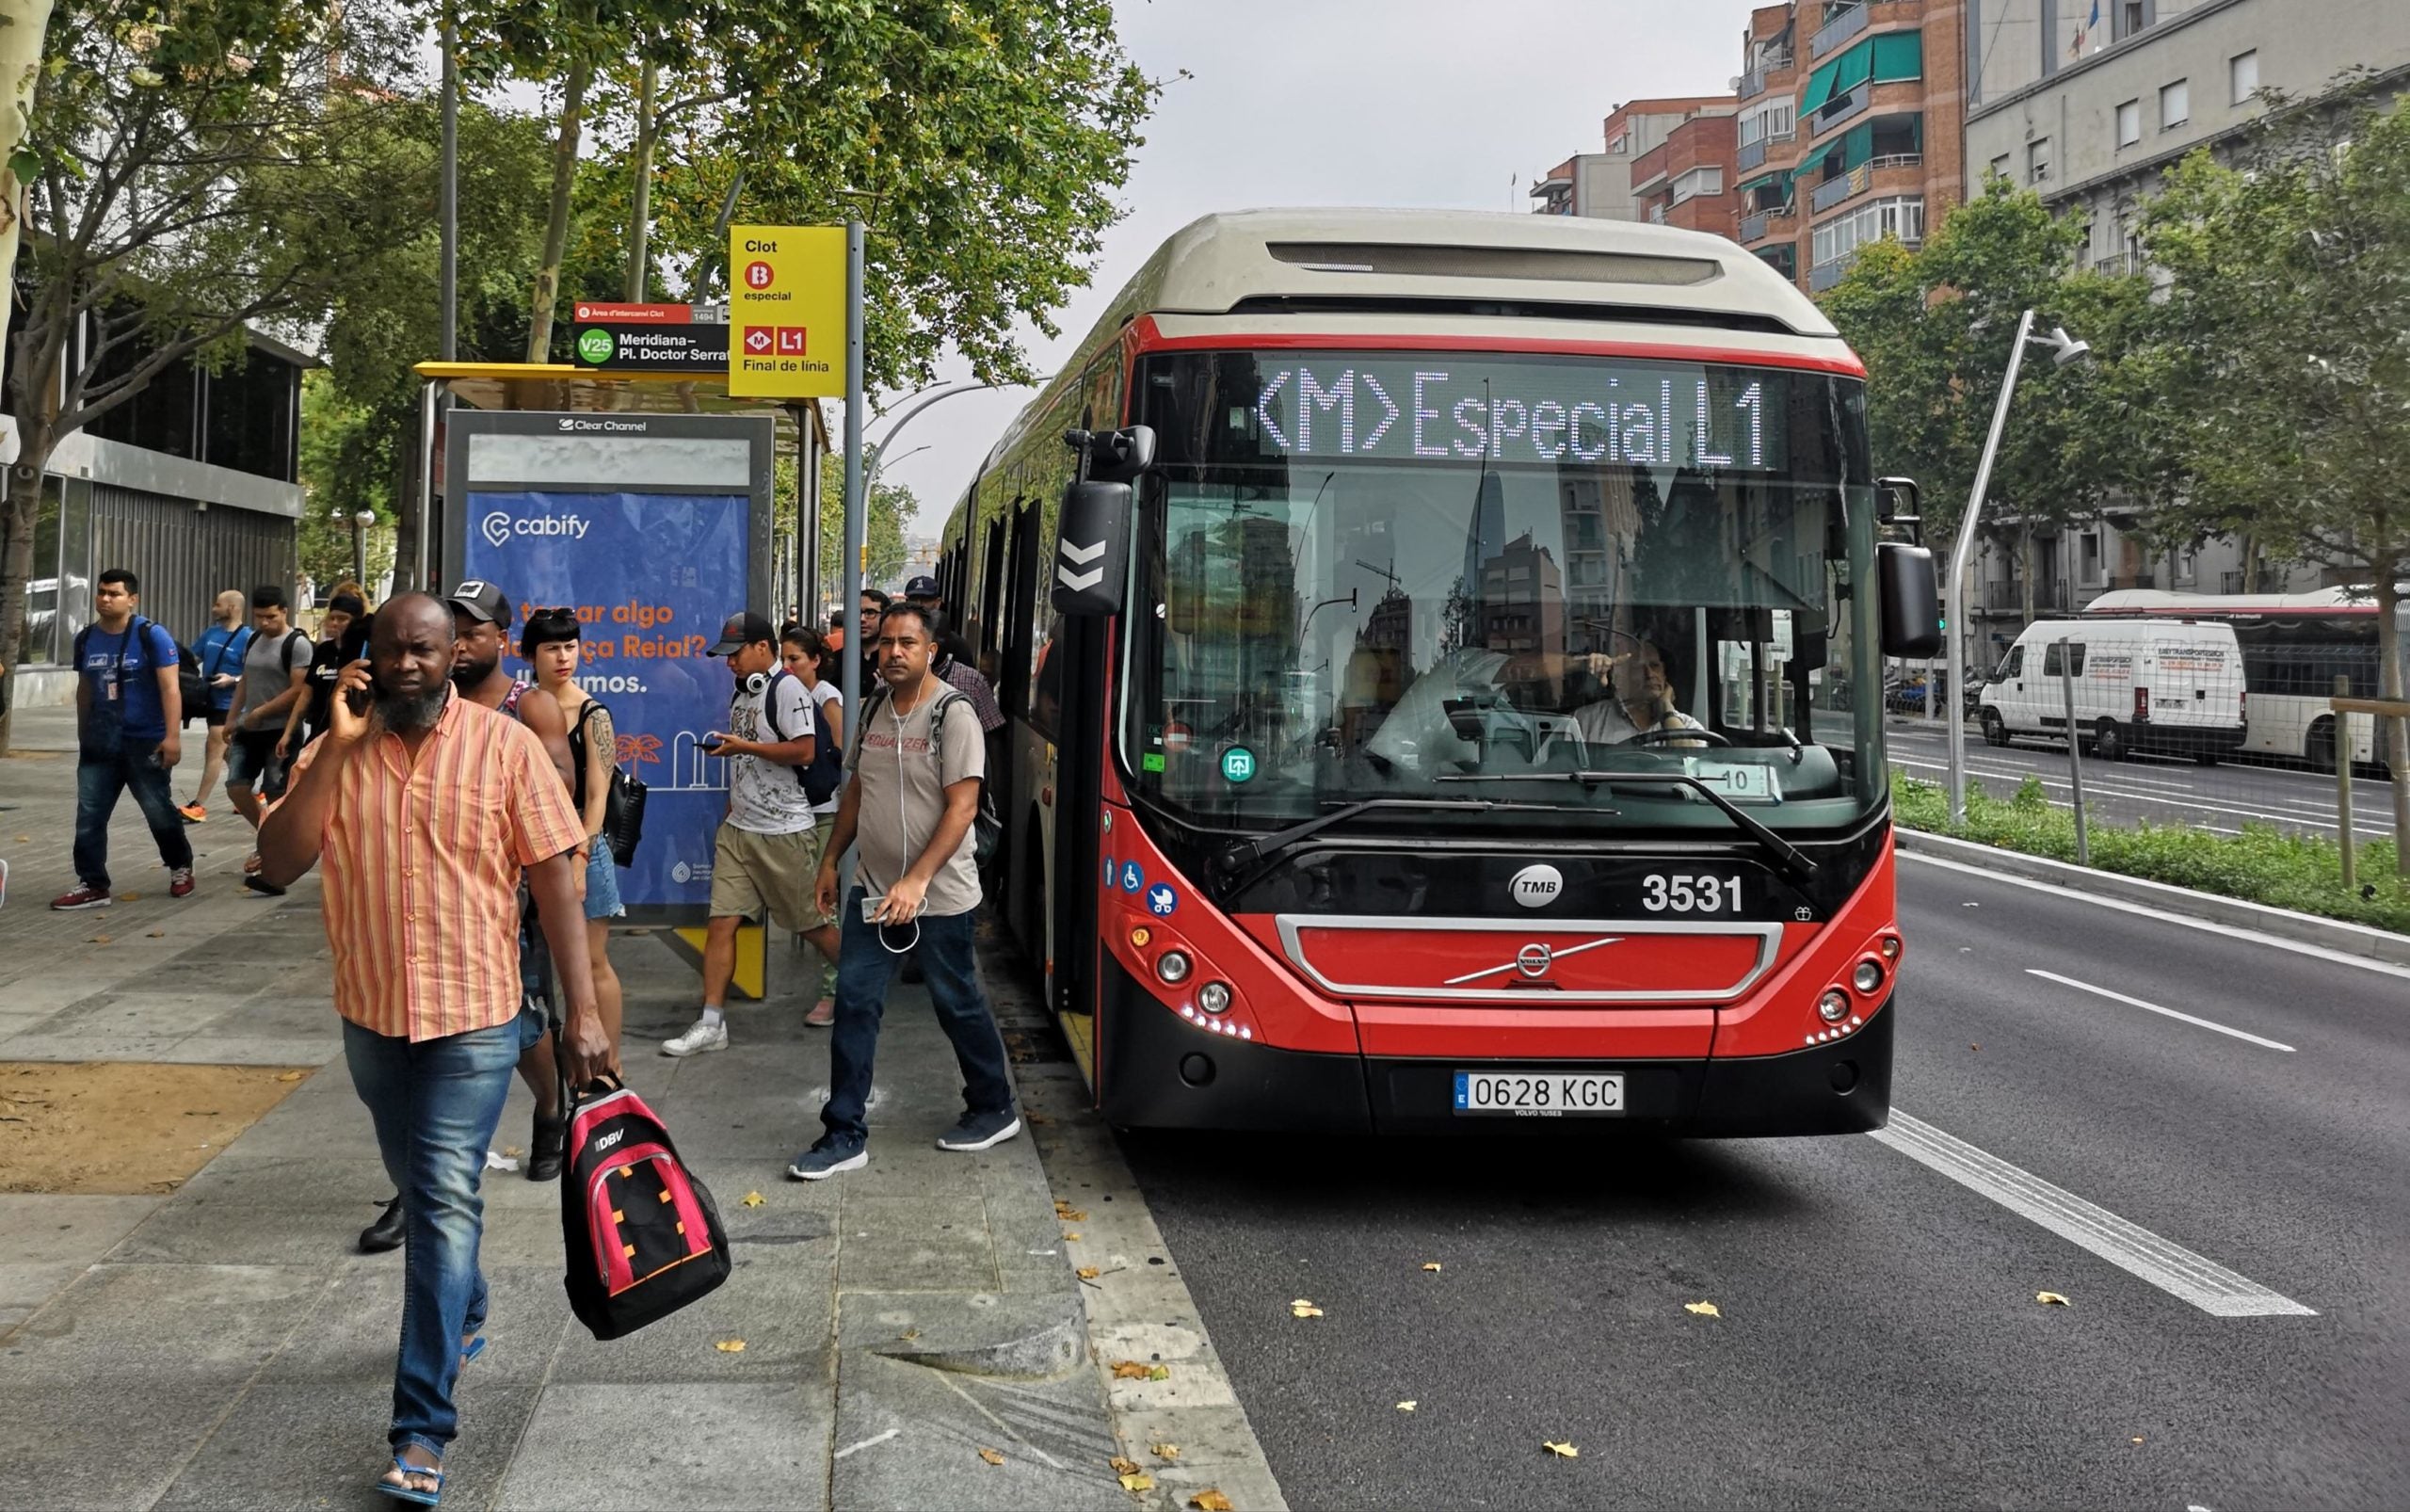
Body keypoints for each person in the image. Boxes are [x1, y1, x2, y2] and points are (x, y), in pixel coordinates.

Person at [255, 593, 609, 1507]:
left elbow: (556, 882)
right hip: (371, 1016)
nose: (408, 663)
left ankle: (421, 1429)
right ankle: (469, 1309)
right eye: (390, 649)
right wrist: (333, 746)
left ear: (456, 654)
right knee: (421, 1188)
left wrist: (582, 1015)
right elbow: (279, 860)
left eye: (425, 648)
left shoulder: (506, 748)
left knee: (445, 1199)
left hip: (475, 1018)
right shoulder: (341, 748)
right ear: (365, 656)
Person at [789, 603, 1018, 1180]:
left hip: (940, 897)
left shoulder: (952, 714)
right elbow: (859, 793)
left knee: (956, 1000)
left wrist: (918, 880)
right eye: (887, 642)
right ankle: (844, 1132)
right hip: (874, 890)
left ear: (930, 650)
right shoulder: (872, 709)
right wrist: (829, 862)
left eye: (907, 644)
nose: (893, 652)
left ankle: (992, 1106)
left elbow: (962, 807)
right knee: (855, 1002)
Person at [661, 612, 842, 1056]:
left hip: (784, 831)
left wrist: (745, 747)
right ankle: (711, 1022)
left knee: (812, 925)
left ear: (763, 648)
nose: (730, 665)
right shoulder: (744, 696)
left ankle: (863, 988)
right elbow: (745, 766)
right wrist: (729, 811)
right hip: (740, 830)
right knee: (721, 922)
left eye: (736, 654)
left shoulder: (789, 690)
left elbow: (804, 749)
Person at [447, 580, 579, 1182]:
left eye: (472, 633)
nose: (457, 645)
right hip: (439, 890)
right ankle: (429, 1172)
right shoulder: (428, 699)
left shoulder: (530, 706)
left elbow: (558, 796)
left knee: (522, 1018)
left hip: (510, 891)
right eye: (450, 632)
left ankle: (551, 1107)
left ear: (501, 640)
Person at [51, 569, 196, 909]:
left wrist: (172, 737)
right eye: (101, 592)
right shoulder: (86, 638)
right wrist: (82, 732)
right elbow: (85, 688)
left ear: (132, 599)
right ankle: (93, 883)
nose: (105, 599)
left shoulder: (151, 635)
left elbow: (170, 688)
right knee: (90, 814)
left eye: (114, 593)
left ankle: (180, 866)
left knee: (158, 810)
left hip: (144, 739)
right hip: (100, 742)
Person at [523, 607, 625, 1055]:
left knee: (592, 961)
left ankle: (612, 1065)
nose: (563, 657)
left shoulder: (592, 713)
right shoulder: (521, 707)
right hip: (531, 846)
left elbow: (598, 796)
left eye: (570, 646)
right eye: (552, 648)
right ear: (530, 654)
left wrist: (582, 858)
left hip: (584, 845)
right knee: (541, 964)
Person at [222, 585, 314, 894]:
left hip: (279, 728)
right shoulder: (253, 639)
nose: (265, 623)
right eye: (260, 617)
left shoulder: (297, 644)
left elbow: (298, 690)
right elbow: (245, 681)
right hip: (249, 727)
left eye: (271, 617)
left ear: (284, 612)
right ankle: (269, 839)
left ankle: (274, 850)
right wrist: (233, 718)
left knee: (275, 794)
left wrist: (263, 712)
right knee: (236, 787)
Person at [780, 624, 844, 1025]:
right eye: (782, 659)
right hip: (794, 809)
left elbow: (838, 753)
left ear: (816, 661)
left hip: (824, 808)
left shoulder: (826, 697)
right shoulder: (784, 695)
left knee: (825, 904)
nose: (787, 667)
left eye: (795, 659)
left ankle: (836, 990)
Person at [180, 589, 251, 822]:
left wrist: (233, 680)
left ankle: (198, 805)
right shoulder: (211, 633)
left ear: (232, 608)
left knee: (214, 748)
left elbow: (253, 672)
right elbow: (193, 658)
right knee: (228, 751)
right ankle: (247, 799)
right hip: (210, 699)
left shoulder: (248, 638)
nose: (213, 608)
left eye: (218, 604)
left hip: (231, 704)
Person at [1568, 637, 1709, 748]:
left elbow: (1691, 765)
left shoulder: (1688, 727)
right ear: (1622, 676)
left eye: (1655, 666)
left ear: (1665, 675)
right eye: (1639, 667)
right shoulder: (1586, 721)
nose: (1650, 674)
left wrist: (1667, 708)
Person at [281, 592, 368, 756]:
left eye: (342, 619)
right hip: (318, 733)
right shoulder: (323, 650)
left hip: (350, 738)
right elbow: (306, 695)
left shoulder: (364, 653)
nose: (335, 623)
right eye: (332, 618)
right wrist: (288, 733)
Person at [902, 574, 976, 668]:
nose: (919, 605)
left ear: (937, 603)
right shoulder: (894, 636)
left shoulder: (957, 645)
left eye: (925, 600)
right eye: (913, 600)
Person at [855, 588, 890, 693]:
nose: (862, 619)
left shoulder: (892, 661)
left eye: (870, 613)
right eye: (857, 612)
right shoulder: (837, 660)